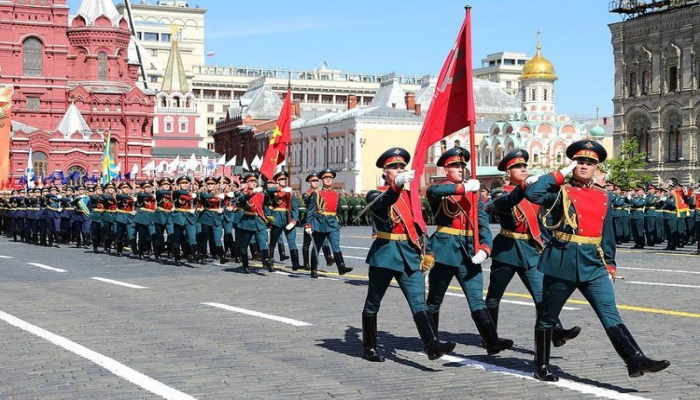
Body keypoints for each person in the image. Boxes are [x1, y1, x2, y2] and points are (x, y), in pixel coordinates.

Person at [525, 139, 669, 381]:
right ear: (573, 164)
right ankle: (541, 364)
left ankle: (635, 360)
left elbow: (607, 234)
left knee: (610, 313)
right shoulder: (560, 191)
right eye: (580, 161)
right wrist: (559, 174)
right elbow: (532, 193)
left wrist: (610, 263)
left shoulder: (604, 196)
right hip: (563, 261)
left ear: (596, 167)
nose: (584, 165)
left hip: (594, 264)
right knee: (548, 316)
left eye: (590, 163)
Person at [362, 147, 455, 362]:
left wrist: (428, 249)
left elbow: (419, 226)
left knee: (418, 302)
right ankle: (370, 347)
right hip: (385, 254)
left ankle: (431, 344)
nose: (399, 170)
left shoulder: (411, 197)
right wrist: (396, 186)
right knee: (373, 303)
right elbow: (384, 204)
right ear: (385, 172)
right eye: (394, 168)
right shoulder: (375, 194)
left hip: (410, 254)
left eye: (401, 167)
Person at [485, 149, 580, 348]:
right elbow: (508, 201)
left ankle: (557, 331)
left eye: (524, 166)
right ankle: (490, 337)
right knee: (494, 296)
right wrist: (522, 187)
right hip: (508, 250)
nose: (522, 169)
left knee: (541, 295)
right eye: (517, 167)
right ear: (507, 172)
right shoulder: (502, 191)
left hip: (531, 249)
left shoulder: (535, 190)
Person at [425, 147, 513, 355]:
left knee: (476, 298)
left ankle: (492, 341)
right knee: (435, 298)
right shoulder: (440, 190)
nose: (460, 169)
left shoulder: (474, 194)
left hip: (469, 251)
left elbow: (482, 223)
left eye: (463, 166)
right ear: (446, 169)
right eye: (455, 166)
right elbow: (434, 192)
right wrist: (462, 190)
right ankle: (432, 341)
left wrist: (485, 247)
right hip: (445, 249)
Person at [305, 169, 352, 278]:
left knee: (336, 246)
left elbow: (338, 210)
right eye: (326, 178)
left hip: (333, 223)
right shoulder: (316, 194)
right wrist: (308, 224)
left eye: (330, 178)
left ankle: (341, 267)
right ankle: (314, 269)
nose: (328, 180)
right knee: (317, 246)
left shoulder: (336, 194)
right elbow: (311, 210)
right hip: (320, 223)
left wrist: (339, 222)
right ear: (322, 180)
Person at [235, 173, 270, 274]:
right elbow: (242, 200)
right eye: (251, 181)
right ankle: (245, 266)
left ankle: (266, 260)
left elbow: (266, 204)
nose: (254, 183)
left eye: (255, 182)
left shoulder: (261, 194)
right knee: (244, 245)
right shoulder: (240, 193)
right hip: (247, 221)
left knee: (263, 241)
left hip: (259, 220)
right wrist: (252, 192)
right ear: (246, 183)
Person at [266, 171, 300, 271]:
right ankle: (270, 263)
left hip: (288, 218)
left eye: (285, 179)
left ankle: (295, 263)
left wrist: (294, 221)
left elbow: (295, 208)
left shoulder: (290, 193)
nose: (283, 180)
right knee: (273, 242)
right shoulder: (274, 191)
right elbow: (268, 190)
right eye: (281, 179)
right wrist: (280, 188)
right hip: (277, 218)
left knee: (292, 242)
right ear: (277, 181)